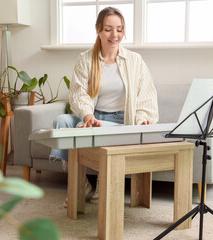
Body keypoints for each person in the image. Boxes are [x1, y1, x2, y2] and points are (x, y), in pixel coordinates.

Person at [49, 7, 159, 205]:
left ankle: (104, 182)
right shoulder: (85, 60)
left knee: (91, 132)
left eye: (119, 29)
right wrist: (88, 116)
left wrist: (143, 118)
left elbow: (146, 94)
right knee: (62, 121)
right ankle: (80, 184)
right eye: (108, 29)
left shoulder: (135, 60)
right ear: (98, 29)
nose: (114, 35)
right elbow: (78, 93)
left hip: (121, 121)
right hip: (93, 117)